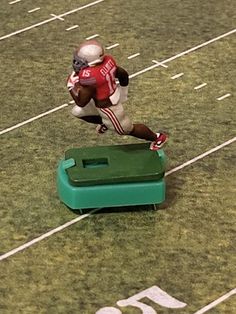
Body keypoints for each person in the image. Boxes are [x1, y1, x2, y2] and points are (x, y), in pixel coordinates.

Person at [67, 40, 167, 150]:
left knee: (126, 129)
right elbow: (122, 74)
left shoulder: (91, 76)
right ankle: (105, 123)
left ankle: (157, 137)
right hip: (101, 99)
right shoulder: (107, 61)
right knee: (77, 112)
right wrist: (123, 91)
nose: (77, 63)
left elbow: (81, 101)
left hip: (108, 107)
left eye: (82, 61)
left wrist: (71, 86)